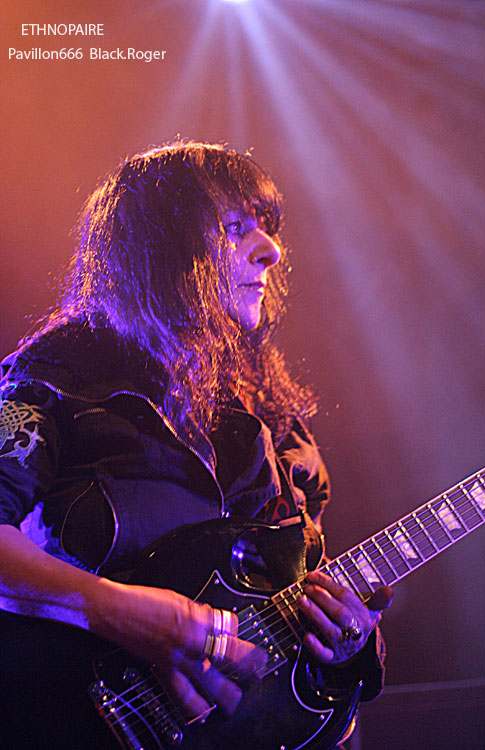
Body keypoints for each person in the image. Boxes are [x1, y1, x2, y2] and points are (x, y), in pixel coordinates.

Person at [0, 141, 392, 748]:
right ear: (159, 247)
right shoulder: (53, 377)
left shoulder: (270, 420)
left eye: (267, 228)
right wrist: (118, 611)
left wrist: (349, 644)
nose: (271, 250)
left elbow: (295, 632)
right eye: (235, 229)